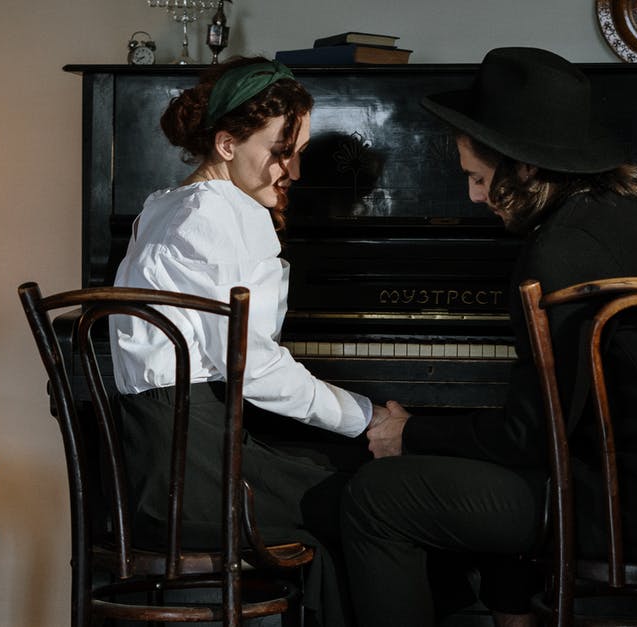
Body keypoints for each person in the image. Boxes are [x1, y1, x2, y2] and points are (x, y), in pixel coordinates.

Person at [341, 47, 637, 627]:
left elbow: (530, 436)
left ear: (525, 165)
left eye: (478, 178)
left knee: (379, 497)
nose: (474, 197)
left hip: (634, 511)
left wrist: (410, 431)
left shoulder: (562, 247)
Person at [109, 56, 392, 627]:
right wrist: (368, 417)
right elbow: (255, 370)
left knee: (344, 477)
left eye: (299, 151)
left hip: (148, 472)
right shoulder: (224, 214)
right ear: (226, 145)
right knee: (379, 505)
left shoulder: (166, 204)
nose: (294, 171)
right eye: (279, 151)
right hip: (194, 482)